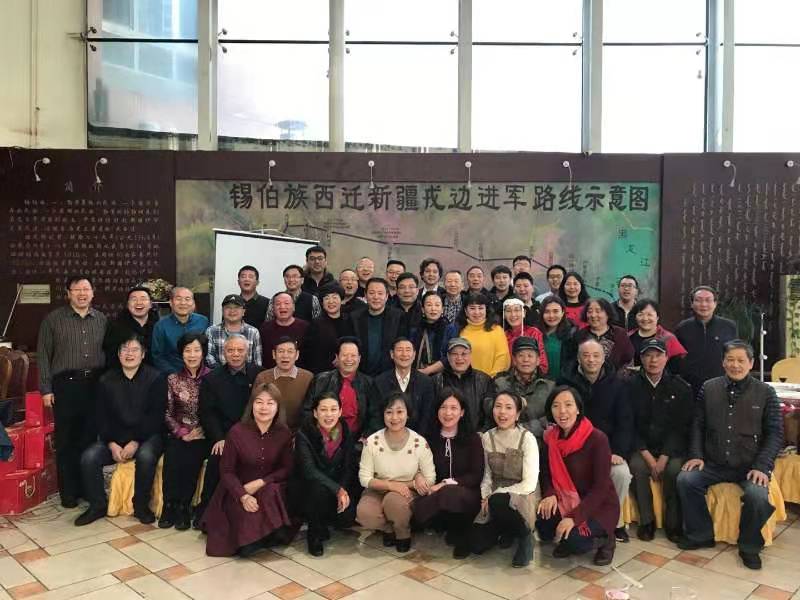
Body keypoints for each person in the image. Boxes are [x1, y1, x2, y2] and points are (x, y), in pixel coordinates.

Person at [677, 340, 783, 570]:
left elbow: (775, 434)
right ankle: (700, 535)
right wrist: (696, 454)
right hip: (714, 462)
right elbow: (697, 425)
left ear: (751, 363)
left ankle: (750, 546)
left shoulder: (766, 392)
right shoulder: (708, 388)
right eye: (730, 360)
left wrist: (762, 466)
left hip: (749, 465)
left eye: (741, 360)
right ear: (723, 362)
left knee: (757, 495)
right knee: (686, 480)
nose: (735, 365)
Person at [75, 334, 166, 526]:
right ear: (118, 354)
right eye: (125, 349)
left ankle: (140, 506)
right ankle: (98, 505)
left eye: (134, 350)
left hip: (146, 437)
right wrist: (111, 443)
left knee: (146, 456)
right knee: (89, 457)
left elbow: (155, 417)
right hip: (114, 438)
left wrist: (135, 441)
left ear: (143, 354)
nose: (129, 354)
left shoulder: (156, 378)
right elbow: (101, 416)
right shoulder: (106, 380)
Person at [37, 275, 108, 507]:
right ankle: (68, 493)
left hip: (94, 385)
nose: (82, 293)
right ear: (68, 293)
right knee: (66, 441)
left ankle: (87, 488)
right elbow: (43, 356)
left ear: (93, 292)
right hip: (65, 385)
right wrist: (46, 389)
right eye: (76, 289)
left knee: (89, 439)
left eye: (86, 289)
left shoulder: (101, 319)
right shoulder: (53, 320)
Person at [202, 383, 295, 557]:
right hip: (238, 488)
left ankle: (265, 534)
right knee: (243, 547)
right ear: (251, 405)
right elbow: (227, 471)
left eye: (270, 403)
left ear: (278, 407)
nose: (264, 407)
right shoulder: (237, 432)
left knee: (271, 492)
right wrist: (243, 495)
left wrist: (262, 482)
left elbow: (286, 468)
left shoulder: (284, 433)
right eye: (259, 402)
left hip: (270, 489)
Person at [559, 339, 634, 543]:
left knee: (621, 473)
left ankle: (613, 523)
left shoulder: (618, 384)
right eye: (586, 355)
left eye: (596, 355)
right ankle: (578, 518)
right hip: (575, 448)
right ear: (578, 359)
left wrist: (618, 451)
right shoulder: (566, 383)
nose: (591, 360)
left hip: (609, 449)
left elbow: (625, 422)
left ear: (603, 358)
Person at [536, 386, 619, 567]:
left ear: (578, 409)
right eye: (556, 406)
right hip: (564, 499)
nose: (562, 411)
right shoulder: (550, 438)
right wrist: (550, 494)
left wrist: (574, 518)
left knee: (575, 541)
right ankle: (568, 537)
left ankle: (606, 539)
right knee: (543, 526)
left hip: (597, 505)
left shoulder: (597, 439)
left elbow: (601, 488)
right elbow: (545, 473)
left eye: (568, 405)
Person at [628, 338, 693, 542]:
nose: (653, 360)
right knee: (637, 467)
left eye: (658, 355)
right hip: (643, 447)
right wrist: (648, 457)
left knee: (674, 470)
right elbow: (629, 424)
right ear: (641, 359)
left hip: (671, 449)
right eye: (648, 355)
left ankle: (673, 524)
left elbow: (681, 427)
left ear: (666, 358)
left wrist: (664, 457)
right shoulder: (630, 386)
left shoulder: (681, 387)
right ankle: (647, 521)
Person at [196, 335, 263, 526]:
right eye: (230, 350)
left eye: (240, 350)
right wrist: (219, 438)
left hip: (253, 434)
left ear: (247, 352)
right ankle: (206, 513)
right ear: (223, 353)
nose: (235, 354)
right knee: (218, 458)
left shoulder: (259, 375)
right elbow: (207, 413)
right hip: (224, 436)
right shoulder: (211, 379)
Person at [357, 392, 436, 553]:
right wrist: (391, 485)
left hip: (407, 492)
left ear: (408, 414)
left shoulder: (419, 442)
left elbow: (430, 478)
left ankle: (402, 532)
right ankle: (388, 529)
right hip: (378, 489)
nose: (394, 417)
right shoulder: (372, 442)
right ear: (383, 414)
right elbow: (364, 479)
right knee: (365, 513)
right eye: (389, 412)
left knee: (393, 501)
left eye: (400, 412)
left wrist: (414, 481)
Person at [412, 388, 484, 559]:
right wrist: (418, 475)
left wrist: (445, 484)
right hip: (435, 494)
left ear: (462, 412)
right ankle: (443, 524)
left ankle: (461, 534)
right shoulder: (428, 437)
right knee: (422, 503)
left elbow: (475, 475)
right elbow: (415, 464)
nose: (448, 413)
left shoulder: (473, 439)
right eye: (443, 407)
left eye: (453, 408)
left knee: (450, 493)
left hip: (465, 494)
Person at [470, 391, 538, 568]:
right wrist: (485, 496)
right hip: (493, 497)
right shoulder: (487, 437)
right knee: (476, 544)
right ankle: (506, 530)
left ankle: (524, 536)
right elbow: (486, 475)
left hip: (522, 495)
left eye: (509, 407)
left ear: (517, 414)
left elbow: (530, 482)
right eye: (498, 406)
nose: (502, 412)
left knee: (500, 500)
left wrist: (497, 494)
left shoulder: (527, 438)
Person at [294, 391, 358, 556]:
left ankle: (326, 522)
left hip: (337, 484)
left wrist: (342, 489)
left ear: (340, 411)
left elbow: (348, 466)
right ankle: (314, 533)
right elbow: (309, 470)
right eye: (323, 410)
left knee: (347, 517)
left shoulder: (345, 431)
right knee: (318, 490)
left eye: (333, 409)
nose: (329, 415)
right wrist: (338, 490)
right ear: (315, 413)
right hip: (310, 487)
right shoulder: (304, 433)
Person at [159, 332, 212, 530]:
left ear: (203, 352)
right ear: (181, 353)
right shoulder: (173, 379)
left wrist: (200, 431)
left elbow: (216, 410)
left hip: (203, 433)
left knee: (191, 458)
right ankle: (169, 505)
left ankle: (184, 506)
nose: (192, 355)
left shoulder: (212, 377)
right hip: (178, 432)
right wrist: (181, 433)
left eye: (196, 350)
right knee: (173, 456)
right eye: (187, 350)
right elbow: (167, 412)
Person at [304, 337, 382, 439]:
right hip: (323, 438)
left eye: (353, 355)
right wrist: (317, 435)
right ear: (337, 357)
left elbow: (376, 415)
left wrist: (366, 436)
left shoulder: (369, 383)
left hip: (357, 440)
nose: (349, 359)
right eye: (344, 355)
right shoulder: (320, 380)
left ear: (359, 358)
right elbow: (307, 411)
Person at [675, 285, 738, 396]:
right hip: (689, 387)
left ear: (715, 303)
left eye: (708, 300)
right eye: (698, 300)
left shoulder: (729, 326)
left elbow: (735, 354)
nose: (703, 304)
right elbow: (676, 359)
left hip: (721, 386)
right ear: (692, 304)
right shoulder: (683, 328)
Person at [494, 337, 555, 442]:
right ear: (514, 360)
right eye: (521, 355)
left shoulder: (550, 385)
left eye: (530, 355)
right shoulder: (500, 383)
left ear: (538, 360)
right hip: (505, 441)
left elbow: (552, 417)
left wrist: (522, 429)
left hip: (539, 443)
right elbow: (491, 408)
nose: (525, 360)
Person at [432, 338, 495, 431]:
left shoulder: (484, 380)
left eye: (464, 354)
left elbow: (490, 413)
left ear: (470, 355)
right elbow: (431, 414)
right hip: (445, 435)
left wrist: (482, 434)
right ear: (448, 356)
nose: (459, 358)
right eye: (454, 354)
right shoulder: (436, 381)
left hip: (477, 436)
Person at [348, 278, 407, 377]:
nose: (376, 297)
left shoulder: (398, 317)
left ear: (386, 296)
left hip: (389, 375)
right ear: (365, 295)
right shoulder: (354, 317)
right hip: (360, 374)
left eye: (380, 293)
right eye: (371, 293)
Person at [375, 338, 435, 434]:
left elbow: (427, 416)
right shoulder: (380, 381)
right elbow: (376, 415)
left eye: (408, 350)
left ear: (414, 355)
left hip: (417, 437)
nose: (404, 354)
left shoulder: (426, 382)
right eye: (399, 350)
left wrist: (417, 438)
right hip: (387, 436)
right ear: (392, 354)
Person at [254, 337, 313, 431]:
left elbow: (311, 411)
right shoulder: (262, 377)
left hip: (300, 432)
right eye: (281, 351)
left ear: (297, 355)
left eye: (290, 351)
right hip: (270, 430)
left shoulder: (308, 377)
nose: (285, 355)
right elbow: (255, 409)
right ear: (274, 354)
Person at [447, 293, 510, 378]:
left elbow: (503, 358)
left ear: (486, 310)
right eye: (472, 308)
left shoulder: (497, 330)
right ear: (466, 311)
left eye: (480, 308)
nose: (477, 312)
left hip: (492, 382)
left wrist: (489, 380)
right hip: (463, 382)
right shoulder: (458, 331)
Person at [151, 287, 209, 374]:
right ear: (171, 302)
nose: (183, 303)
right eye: (178, 299)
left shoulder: (203, 321)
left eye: (187, 299)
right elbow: (157, 356)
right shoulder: (160, 326)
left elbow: (206, 350)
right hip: (171, 373)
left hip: (199, 373)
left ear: (193, 303)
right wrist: (173, 374)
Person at [300, 283, 353, 374]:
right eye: (327, 298)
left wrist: (342, 359)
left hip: (348, 369)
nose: (331, 301)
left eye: (334, 297)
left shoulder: (350, 321)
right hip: (323, 372)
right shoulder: (315, 324)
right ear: (322, 303)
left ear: (341, 300)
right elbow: (309, 353)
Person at [103, 285, 160, 370]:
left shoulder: (159, 325)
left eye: (143, 299)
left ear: (151, 304)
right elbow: (110, 355)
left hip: (155, 374)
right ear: (127, 304)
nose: (139, 302)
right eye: (134, 299)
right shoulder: (116, 326)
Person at [574, 298, 635, 370]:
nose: (593, 315)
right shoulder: (580, 335)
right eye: (590, 311)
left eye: (598, 311)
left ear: (608, 314)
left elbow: (628, 361)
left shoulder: (620, 334)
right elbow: (573, 362)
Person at [629, 299, 687, 373]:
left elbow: (678, 367)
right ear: (635, 317)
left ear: (657, 317)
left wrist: (644, 370)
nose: (645, 318)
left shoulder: (668, 338)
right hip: (632, 379)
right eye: (640, 314)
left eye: (649, 315)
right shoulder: (628, 337)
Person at [205, 294, 262, 369]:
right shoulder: (211, 331)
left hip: (247, 375)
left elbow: (257, 361)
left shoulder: (253, 332)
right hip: (218, 374)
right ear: (222, 311)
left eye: (236, 307)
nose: (232, 311)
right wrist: (224, 373)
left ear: (243, 311)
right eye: (228, 307)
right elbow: (209, 358)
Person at [260, 292, 309, 369]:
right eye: (278, 304)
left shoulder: (305, 327)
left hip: (299, 374)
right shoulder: (265, 328)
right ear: (273, 308)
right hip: (271, 373)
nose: (282, 307)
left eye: (286, 303)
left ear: (293, 307)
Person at [502, 298, 549, 375]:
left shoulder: (534, 332)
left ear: (524, 312)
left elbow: (543, 364)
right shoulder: (503, 335)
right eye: (508, 311)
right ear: (504, 314)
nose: (513, 314)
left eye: (517, 310)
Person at [538, 296, 578, 381]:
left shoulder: (571, 335)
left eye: (555, 311)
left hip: (563, 384)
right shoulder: (535, 334)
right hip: (539, 384)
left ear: (563, 312)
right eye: (547, 312)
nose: (551, 316)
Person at [412, 291, 449, 376]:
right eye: (429, 305)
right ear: (423, 309)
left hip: (443, 376)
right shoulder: (415, 329)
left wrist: (427, 371)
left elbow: (450, 356)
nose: (433, 308)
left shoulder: (449, 329)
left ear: (442, 309)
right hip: (416, 374)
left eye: (437, 305)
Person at [392, 272, 423, 339]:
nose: (407, 291)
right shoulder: (389, 310)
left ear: (417, 290)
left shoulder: (424, 311)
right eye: (402, 287)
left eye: (411, 287)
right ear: (397, 291)